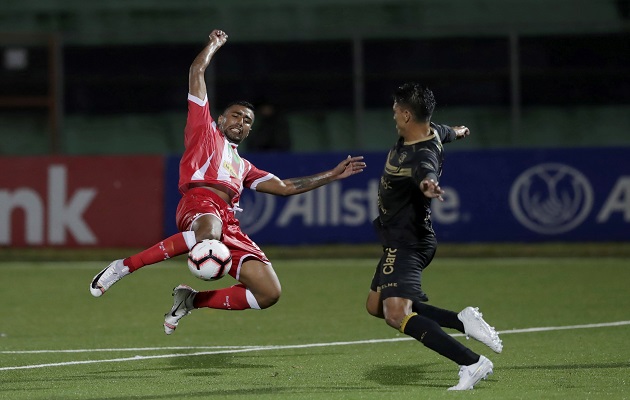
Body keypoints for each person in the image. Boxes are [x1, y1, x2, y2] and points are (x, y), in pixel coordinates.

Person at [89, 29, 366, 335]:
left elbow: (286, 188)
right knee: (208, 232)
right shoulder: (203, 131)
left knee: (268, 293)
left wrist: (333, 174)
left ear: (249, 131)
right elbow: (196, 70)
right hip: (198, 204)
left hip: (228, 224)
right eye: (236, 115)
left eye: (248, 120)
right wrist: (213, 45)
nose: (241, 122)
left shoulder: (243, 167)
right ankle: (124, 266)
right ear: (221, 119)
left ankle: (191, 301)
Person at [365, 82, 502, 391]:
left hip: (407, 242)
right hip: (398, 239)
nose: (393, 117)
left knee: (394, 313)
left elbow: (426, 171)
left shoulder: (421, 153)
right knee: (375, 305)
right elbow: (445, 131)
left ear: (405, 114)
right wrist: (459, 131)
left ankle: (471, 362)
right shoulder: (430, 132)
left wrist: (429, 185)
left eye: (395, 112)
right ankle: (463, 321)